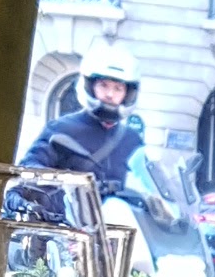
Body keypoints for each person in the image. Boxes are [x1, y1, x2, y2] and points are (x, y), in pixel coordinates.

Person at [20, 39, 175, 223]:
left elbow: (148, 183)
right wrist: (56, 181)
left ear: (128, 94)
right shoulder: (62, 129)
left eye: (118, 88)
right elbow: (30, 168)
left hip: (117, 228)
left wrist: (164, 205)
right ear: (90, 86)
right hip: (67, 226)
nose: (110, 94)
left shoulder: (132, 140)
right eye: (104, 85)